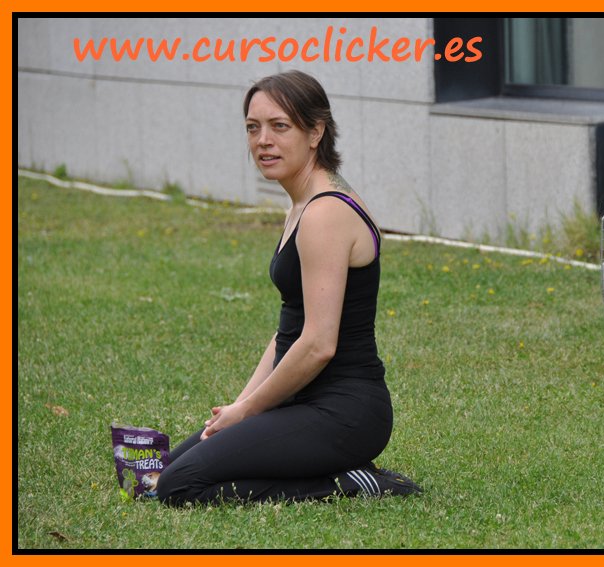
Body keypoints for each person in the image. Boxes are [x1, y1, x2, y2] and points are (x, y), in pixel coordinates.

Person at [156, 70, 420, 506]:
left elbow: (318, 345)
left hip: (344, 412)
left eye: (280, 126)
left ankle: (354, 482)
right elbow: (289, 329)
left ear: (315, 132)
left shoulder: (324, 213)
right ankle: (329, 468)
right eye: (253, 128)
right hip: (300, 401)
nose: (263, 141)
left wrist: (250, 411)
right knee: (170, 470)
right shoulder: (303, 203)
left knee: (178, 486)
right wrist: (239, 407)